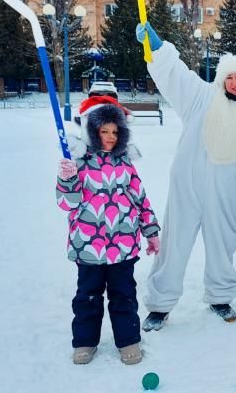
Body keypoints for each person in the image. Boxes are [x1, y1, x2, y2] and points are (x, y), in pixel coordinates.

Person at [134, 22, 236, 330]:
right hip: (187, 184)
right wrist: (159, 49)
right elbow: (176, 76)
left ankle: (220, 296)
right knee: (174, 242)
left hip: (227, 191)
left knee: (223, 243)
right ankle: (160, 304)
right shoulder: (203, 98)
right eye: (229, 76)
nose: (234, 82)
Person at [56, 95, 160, 365]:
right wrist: (67, 180)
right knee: (88, 297)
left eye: (115, 131)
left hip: (123, 245)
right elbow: (67, 204)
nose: (110, 137)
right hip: (88, 246)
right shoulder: (77, 163)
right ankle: (85, 342)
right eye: (104, 131)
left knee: (124, 296)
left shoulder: (125, 163)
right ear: (92, 130)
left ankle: (128, 341)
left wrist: (151, 232)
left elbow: (140, 198)